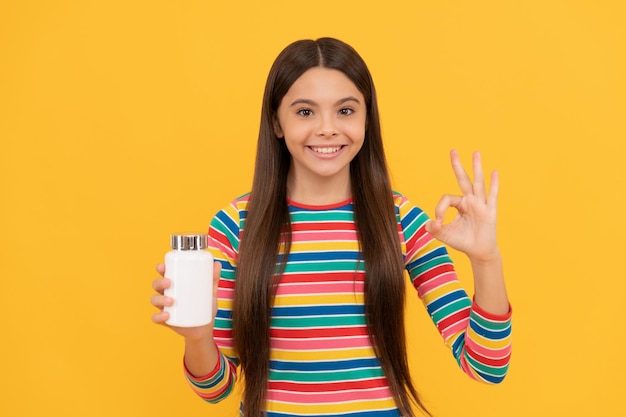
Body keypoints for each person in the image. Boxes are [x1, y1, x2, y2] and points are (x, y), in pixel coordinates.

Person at [150, 37, 512, 417]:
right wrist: (197, 336)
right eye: (305, 112)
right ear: (276, 120)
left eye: (345, 110)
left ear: (366, 119)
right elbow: (215, 389)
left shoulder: (402, 219)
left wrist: (486, 259)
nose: (327, 129)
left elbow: (486, 366)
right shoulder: (236, 224)